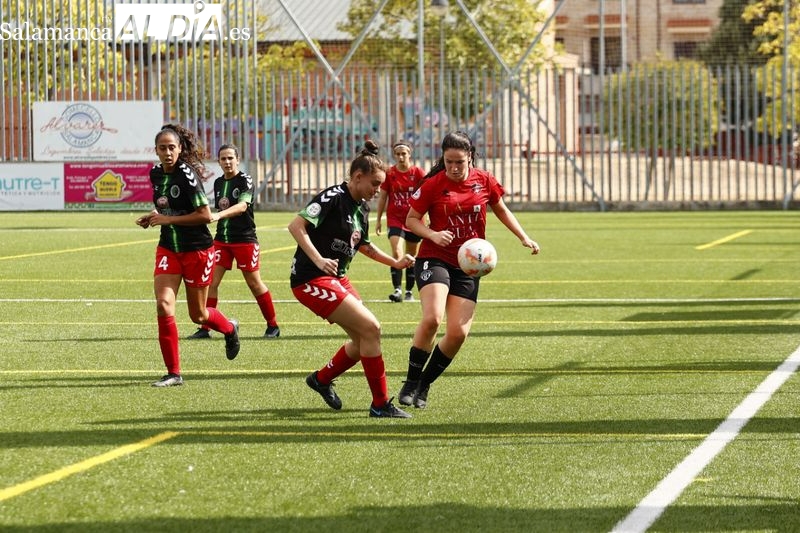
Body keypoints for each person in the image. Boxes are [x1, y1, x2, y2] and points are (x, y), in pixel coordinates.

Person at [397, 130, 540, 408]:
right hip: (434, 257)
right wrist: (433, 234)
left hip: (469, 265)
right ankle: (411, 381)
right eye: (448, 161)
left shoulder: (484, 180)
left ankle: (424, 385)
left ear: (470, 157)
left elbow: (501, 209)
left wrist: (523, 236)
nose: (453, 167)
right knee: (432, 319)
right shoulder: (433, 185)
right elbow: (411, 220)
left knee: (458, 334)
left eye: (459, 162)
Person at [288, 140, 414, 419]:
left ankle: (320, 380)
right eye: (375, 184)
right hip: (310, 279)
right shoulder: (332, 197)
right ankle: (380, 404)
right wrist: (319, 259)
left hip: (337, 278)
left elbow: (365, 246)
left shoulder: (361, 208)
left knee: (363, 340)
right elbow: (296, 226)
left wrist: (394, 262)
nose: (378, 191)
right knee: (371, 327)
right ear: (357, 177)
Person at [136, 124, 241, 387]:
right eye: (163, 148)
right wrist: (154, 218)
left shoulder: (187, 175)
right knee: (163, 305)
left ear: (180, 149)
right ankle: (174, 373)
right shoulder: (156, 174)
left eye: (172, 147)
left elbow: (205, 216)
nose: (168, 152)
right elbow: (167, 208)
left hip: (197, 250)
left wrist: (167, 220)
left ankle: (229, 328)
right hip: (168, 249)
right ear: (157, 151)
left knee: (200, 315)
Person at [187, 144, 281, 340]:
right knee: (211, 282)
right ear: (219, 161)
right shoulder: (219, 183)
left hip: (245, 240)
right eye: (223, 159)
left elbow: (242, 206)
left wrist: (218, 215)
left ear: (238, 160)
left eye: (231, 158)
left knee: (254, 284)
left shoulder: (245, 180)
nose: (227, 162)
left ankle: (273, 325)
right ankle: (206, 327)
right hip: (222, 241)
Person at [374, 140, 425, 303]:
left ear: (409, 154)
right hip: (395, 218)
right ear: (394, 155)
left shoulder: (418, 173)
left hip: (414, 219)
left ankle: (409, 291)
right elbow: (383, 197)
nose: (401, 157)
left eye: (404, 153)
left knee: (411, 255)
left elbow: (427, 196)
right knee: (397, 251)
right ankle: (397, 289)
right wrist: (379, 219)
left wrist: (429, 216)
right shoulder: (390, 173)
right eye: (398, 154)